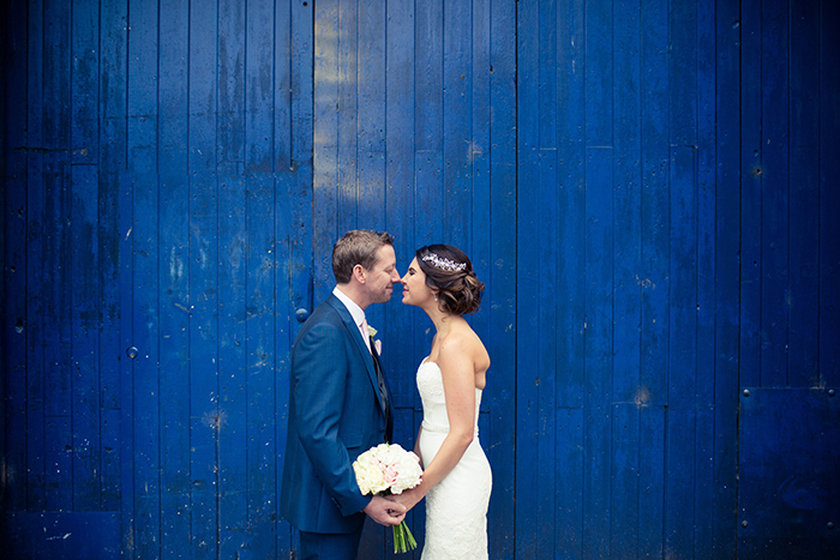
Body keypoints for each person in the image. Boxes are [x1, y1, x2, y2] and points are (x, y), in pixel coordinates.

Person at [279, 230, 406, 560]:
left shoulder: (350, 322)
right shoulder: (326, 330)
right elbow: (318, 431)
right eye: (389, 269)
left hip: (340, 500)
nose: (397, 276)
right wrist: (362, 499)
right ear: (360, 273)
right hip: (328, 504)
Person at [393, 244, 492, 559]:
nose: (401, 279)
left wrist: (415, 493)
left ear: (434, 285)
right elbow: (434, 418)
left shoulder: (455, 344)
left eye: (411, 273)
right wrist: (411, 465)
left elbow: (462, 432)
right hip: (440, 476)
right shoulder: (441, 337)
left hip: (460, 478)